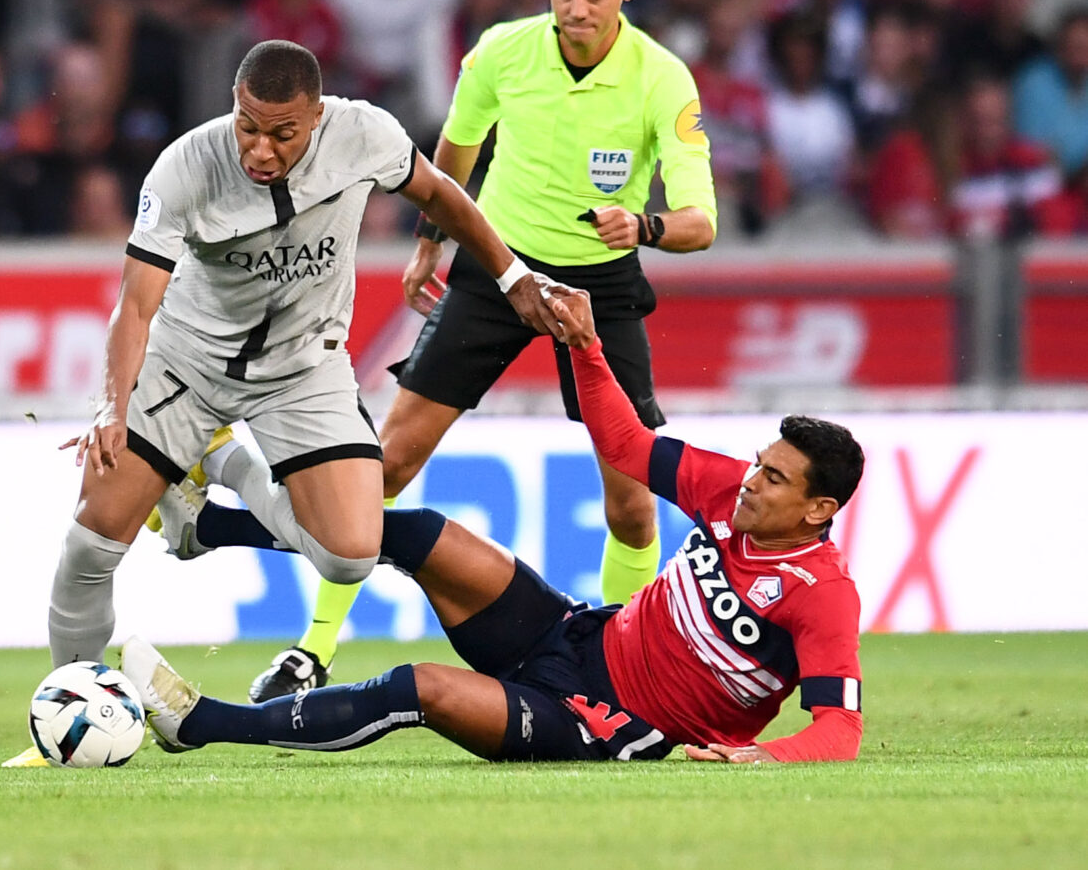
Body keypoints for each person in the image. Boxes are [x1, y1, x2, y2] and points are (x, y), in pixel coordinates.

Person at [8, 39, 561, 767]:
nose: (260, 149)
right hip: (186, 365)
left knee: (348, 557)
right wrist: (113, 409)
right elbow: (134, 307)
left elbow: (439, 194)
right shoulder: (185, 166)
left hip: (304, 370)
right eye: (248, 126)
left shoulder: (366, 134)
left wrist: (512, 273)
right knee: (91, 543)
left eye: (281, 132)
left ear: (318, 115)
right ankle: (63, 730)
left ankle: (221, 481)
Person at [250, 0, 717, 703]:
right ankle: (312, 649)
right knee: (386, 462)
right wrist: (433, 237)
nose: (577, 8)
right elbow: (455, 152)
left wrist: (641, 225)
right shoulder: (501, 52)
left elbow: (701, 223)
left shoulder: (662, 77)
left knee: (633, 502)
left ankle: (625, 673)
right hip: (499, 271)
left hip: (599, 287)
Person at [127, 284, 864, 765]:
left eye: (773, 477)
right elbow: (627, 446)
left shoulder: (820, 595)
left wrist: (766, 757)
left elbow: (840, 729)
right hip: (570, 633)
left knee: (419, 688)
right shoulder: (725, 493)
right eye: (758, 462)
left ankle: (202, 723)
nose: (750, 481)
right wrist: (584, 346)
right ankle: (211, 531)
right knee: (415, 532)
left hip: (603, 721)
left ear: (818, 509)